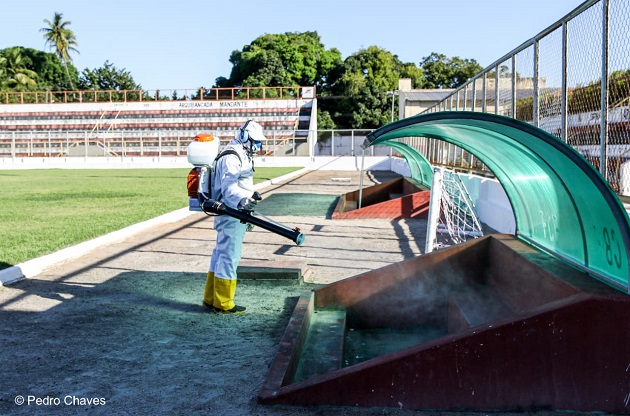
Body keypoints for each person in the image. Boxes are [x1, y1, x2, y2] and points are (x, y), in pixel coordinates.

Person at [202, 120, 267, 314]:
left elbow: (240, 184)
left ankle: (211, 298)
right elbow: (229, 188)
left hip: (233, 210)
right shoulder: (232, 156)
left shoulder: (240, 153)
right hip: (231, 212)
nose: (258, 146)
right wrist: (242, 201)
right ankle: (224, 303)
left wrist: (249, 195)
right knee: (229, 256)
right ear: (245, 136)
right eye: (256, 141)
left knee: (220, 254)